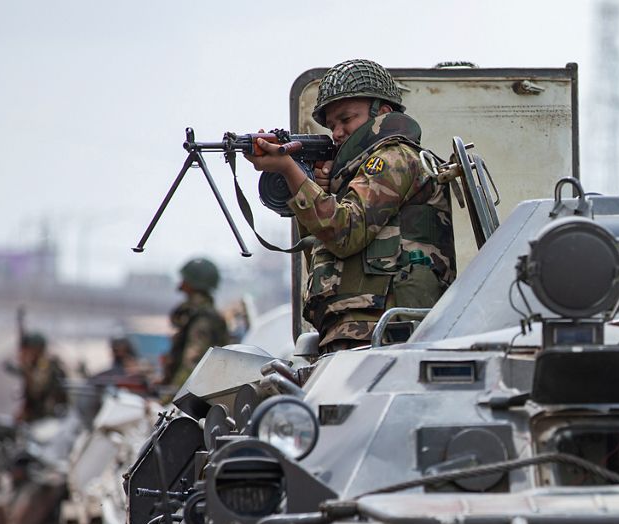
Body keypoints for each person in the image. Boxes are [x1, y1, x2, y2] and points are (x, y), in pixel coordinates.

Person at [244, 58, 455, 352]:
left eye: (346, 119)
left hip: (383, 331)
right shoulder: (355, 173)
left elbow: (346, 233)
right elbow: (324, 250)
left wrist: (289, 170)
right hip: (357, 329)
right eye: (332, 125)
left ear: (382, 112)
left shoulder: (393, 157)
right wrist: (318, 189)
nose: (338, 132)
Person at [163, 258, 230, 388]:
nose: (180, 285)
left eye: (184, 280)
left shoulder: (203, 319)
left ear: (192, 284)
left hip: (191, 394)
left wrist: (169, 399)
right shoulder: (197, 314)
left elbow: (191, 364)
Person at [17, 332, 68, 421]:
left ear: (37, 349)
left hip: (48, 416)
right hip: (40, 415)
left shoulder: (46, 366)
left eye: (29, 349)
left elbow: (36, 392)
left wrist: (26, 369)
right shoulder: (36, 365)